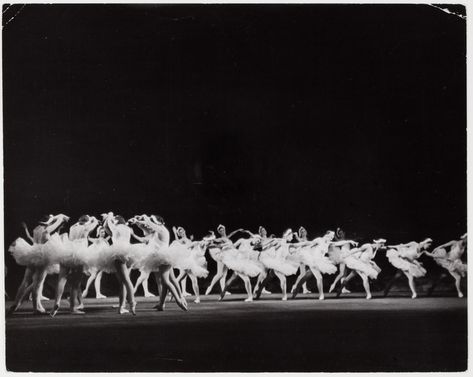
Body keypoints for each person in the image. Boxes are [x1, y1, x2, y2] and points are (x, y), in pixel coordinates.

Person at [8, 214, 69, 315]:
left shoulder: (36, 229)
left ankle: (16, 303)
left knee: (25, 281)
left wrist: (54, 217)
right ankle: (36, 308)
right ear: (49, 222)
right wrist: (61, 216)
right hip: (42, 256)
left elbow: (54, 219)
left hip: (32, 253)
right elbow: (59, 221)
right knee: (38, 283)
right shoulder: (47, 229)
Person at [50, 215, 98, 316]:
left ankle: (57, 302)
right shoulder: (86, 227)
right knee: (75, 284)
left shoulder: (73, 227)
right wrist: (93, 219)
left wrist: (88, 220)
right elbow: (95, 223)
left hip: (67, 251)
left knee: (61, 279)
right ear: (87, 221)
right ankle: (73, 308)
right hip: (79, 253)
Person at [290, 231, 338, 300]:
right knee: (319, 277)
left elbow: (337, 243)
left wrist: (349, 241)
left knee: (306, 277)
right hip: (313, 261)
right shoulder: (319, 240)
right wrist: (295, 247)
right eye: (332, 235)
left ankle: (295, 290)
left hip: (320, 262)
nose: (333, 237)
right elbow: (308, 243)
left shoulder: (328, 243)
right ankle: (321, 295)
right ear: (327, 235)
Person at [219, 236, 264, 302]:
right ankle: (250, 297)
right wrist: (225, 248)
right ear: (252, 238)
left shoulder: (253, 245)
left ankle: (222, 294)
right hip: (238, 263)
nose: (257, 241)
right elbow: (233, 246)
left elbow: (255, 247)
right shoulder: (242, 240)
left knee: (232, 279)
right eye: (257, 240)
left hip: (245, 264)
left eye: (258, 240)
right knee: (246, 279)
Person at [205, 225, 243, 295]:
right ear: (219, 232)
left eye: (223, 230)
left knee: (224, 274)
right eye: (220, 231)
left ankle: (223, 290)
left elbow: (232, 234)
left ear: (225, 229)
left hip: (228, 256)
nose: (222, 231)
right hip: (223, 256)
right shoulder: (221, 239)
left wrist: (238, 230)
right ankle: (210, 287)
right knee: (219, 274)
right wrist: (213, 235)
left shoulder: (227, 237)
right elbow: (214, 240)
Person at [82, 226, 110, 299]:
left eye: (104, 232)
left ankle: (98, 293)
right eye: (101, 232)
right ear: (98, 233)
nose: (103, 233)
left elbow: (111, 235)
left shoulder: (105, 240)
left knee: (99, 276)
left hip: (103, 260)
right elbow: (88, 237)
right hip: (97, 260)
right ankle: (86, 290)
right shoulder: (98, 240)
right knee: (94, 275)